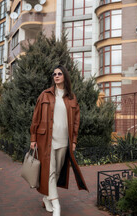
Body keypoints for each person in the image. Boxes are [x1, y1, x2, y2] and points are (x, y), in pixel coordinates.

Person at [30, 65, 88, 216]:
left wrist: (74, 141)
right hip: (46, 140)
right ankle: (56, 205)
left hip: (64, 141)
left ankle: (47, 197)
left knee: (56, 173)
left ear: (65, 76)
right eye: (54, 74)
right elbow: (36, 117)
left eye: (59, 73)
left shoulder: (71, 97)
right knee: (50, 171)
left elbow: (76, 122)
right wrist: (33, 138)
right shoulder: (45, 95)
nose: (56, 76)